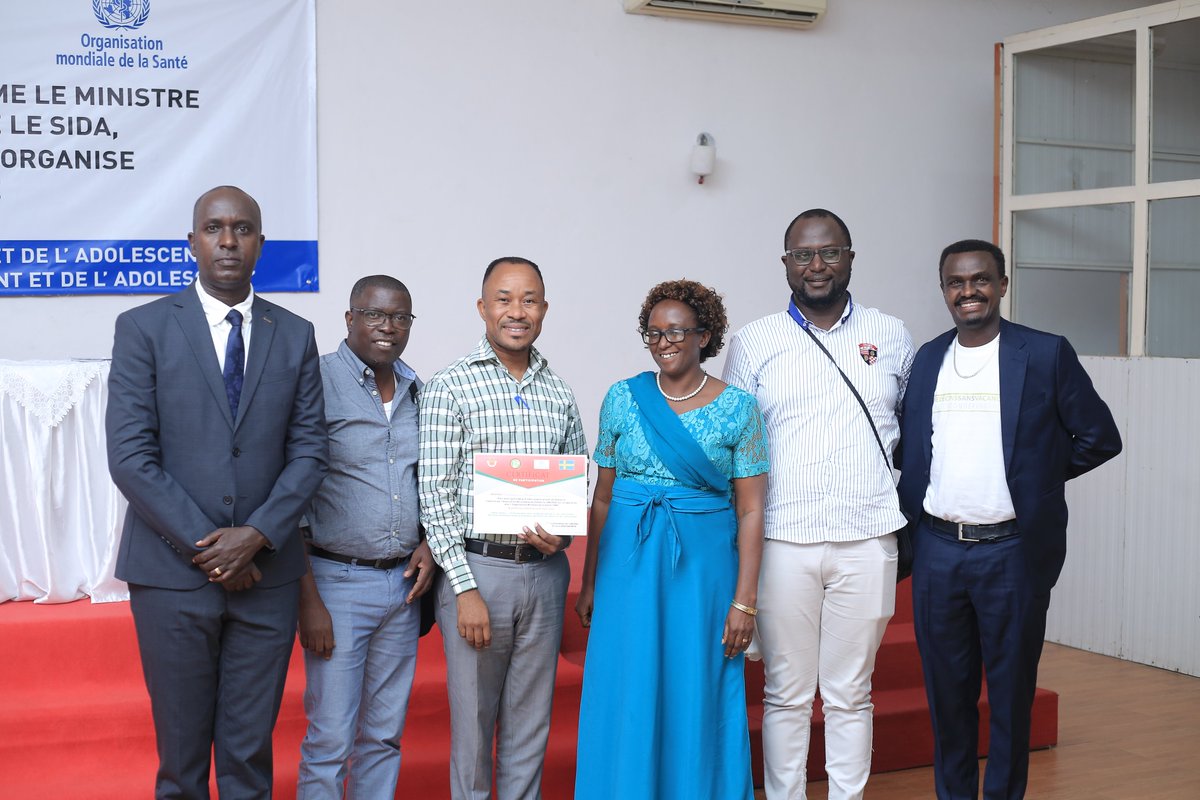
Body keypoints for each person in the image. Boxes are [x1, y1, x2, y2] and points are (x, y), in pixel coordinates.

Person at [106, 185, 328, 798]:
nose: (228, 240)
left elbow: (311, 452)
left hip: (268, 578)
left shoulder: (295, 334)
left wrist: (254, 538)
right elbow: (130, 457)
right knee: (181, 763)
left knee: (248, 758)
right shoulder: (143, 328)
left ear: (261, 242)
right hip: (172, 578)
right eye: (214, 228)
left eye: (242, 228)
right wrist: (213, 548)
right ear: (192, 242)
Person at [896, 239, 1121, 800]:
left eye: (980, 279)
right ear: (943, 289)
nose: (967, 291)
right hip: (939, 551)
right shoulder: (928, 359)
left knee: (1011, 696)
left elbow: (1100, 438)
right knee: (946, 698)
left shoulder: (1044, 353)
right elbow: (914, 452)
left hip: (1012, 552)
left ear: (1001, 284)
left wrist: (1035, 479)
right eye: (955, 281)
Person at [723, 208, 914, 799]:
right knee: (785, 692)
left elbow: (911, 428)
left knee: (851, 692)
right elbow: (736, 448)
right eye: (803, 255)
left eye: (829, 252)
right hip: (783, 540)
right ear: (785, 264)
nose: (816, 265)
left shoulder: (892, 334)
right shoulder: (755, 341)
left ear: (851, 257)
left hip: (868, 537)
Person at [573, 279, 768, 799]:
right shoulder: (622, 397)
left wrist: (745, 602)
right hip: (627, 566)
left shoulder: (739, 409)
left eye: (678, 331)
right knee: (628, 684)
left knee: (695, 687)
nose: (665, 342)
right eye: (654, 332)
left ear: (705, 335)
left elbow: (750, 509)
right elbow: (602, 497)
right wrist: (590, 580)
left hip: (702, 570)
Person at [418, 256, 587, 800]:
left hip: (545, 574)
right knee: (473, 728)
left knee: (529, 724)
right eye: (504, 299)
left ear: (544, 308)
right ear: (482, 308)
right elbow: (435, 496)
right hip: (478, 574)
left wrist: (561, 536)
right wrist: (464, 589)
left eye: (530, 300)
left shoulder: (559, 392)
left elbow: (575, 479)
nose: (518, 311)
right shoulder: (450, 386)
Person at [295, 275, 437, 798]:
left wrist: (429, 542)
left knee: (383, 736)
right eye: (376, 315)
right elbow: (290, 487)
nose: (389, 327)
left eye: (401, 317)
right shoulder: (315, 380)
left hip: (403, 586)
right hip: (337, 582)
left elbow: (428, 479)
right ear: (350, 317)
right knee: (330, 738)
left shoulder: (417, 388)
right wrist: (307, 598)